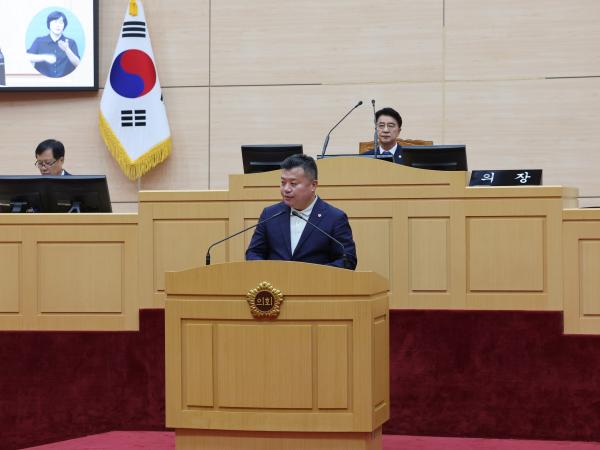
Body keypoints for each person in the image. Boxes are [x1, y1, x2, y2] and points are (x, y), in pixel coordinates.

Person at [246, 154, 357, 269]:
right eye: (283, 182)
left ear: (313, 185)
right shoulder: (270, 214)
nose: (286, 189)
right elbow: (254, 252)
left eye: (293, 184)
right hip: (274, 279)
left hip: (316, 280)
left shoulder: (335, 218)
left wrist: (313, 275)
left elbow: (347, 260)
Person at [27, 11, 80, 78]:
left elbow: (78, 64)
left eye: (61, 22)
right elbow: (27, 57)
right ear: (49, 24)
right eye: (55, 22)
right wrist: (44, 57)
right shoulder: (39, 41)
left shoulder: (71, 42)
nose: (58, 25)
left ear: (64, 25)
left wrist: (67, 50)